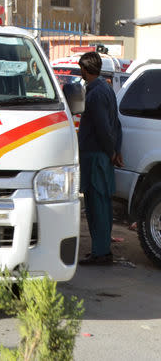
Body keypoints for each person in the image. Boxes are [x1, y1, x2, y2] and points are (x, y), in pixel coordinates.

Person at [77, 51, 123, 266]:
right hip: (103, 155)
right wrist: (116, 150)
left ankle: (100, 252)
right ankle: (102, 250)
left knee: (97, 206)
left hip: (96, 157)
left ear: (85, 70)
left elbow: (104, 127)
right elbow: (116, 124)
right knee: (102, 204)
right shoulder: (106, 89)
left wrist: (111, 151)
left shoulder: (94, 94)